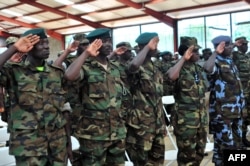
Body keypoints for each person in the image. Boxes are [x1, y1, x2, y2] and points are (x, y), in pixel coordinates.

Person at [0, 28, 73, 166]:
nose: (46, 46)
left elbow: (63, 109)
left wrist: (68, 142)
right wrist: (15, 48)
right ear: (28, 47)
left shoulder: (56, 73)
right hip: (28, 146)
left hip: (57, 145)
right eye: (41, 43)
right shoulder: (14, 71)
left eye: (47, 43)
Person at [64, 28, 127, 166]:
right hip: (93, 135)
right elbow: (69, 76)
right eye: (103, 41)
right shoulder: (85, 67)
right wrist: (86, 53)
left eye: (109, 40)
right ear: (93, 45)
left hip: (117, 132)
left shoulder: (115, 68)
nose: (109, 44)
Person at [203, 35, 245, 166]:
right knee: (227, 145)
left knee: (236, 145)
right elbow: (207, 69)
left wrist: (243, 109)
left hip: (236, 111)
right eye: (227, 45)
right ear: (219, 47)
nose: (231, 48)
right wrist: (215, 52)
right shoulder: (215, 62)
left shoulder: (229, 61)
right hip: (222, 114)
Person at [125, 32, 166, 166]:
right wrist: (147, 47)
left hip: (157, 124)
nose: (156, 47)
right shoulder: (135, 66)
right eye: (154, 44)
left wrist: (163, 123)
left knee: (157, 161)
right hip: (141, 126)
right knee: (142, 161)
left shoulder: (155, 68)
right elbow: (132, 67)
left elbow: (157, 99)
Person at [167, 36, 208, 166]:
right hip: (185, 121)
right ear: (186, 52)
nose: (198, 54)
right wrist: (183, 59)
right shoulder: (177, 68)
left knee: (199, 152)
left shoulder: (197, 69)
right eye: (195, 51)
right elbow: (171, 76)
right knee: (186, 155)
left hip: (200, 119)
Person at [232, 36, 250, 147]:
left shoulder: (248, 56)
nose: (246, 46)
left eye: (246, 44)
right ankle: (240, 140)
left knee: (247, 117)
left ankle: (244, 138)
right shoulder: (234, 55)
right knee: (242, 117)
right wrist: (234, 45)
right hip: (241, 92)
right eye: (243, 44)